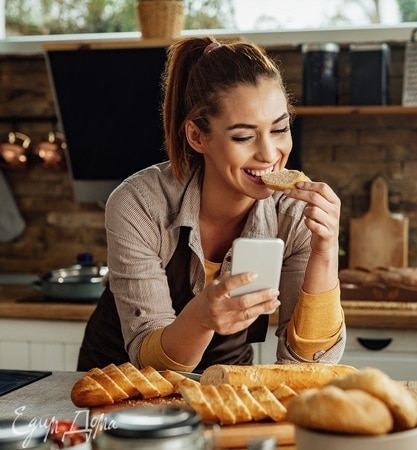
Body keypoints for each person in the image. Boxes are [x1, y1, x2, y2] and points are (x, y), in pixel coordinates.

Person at [77, 36, 346, 373]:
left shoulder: (294, 215)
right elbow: (151, 361)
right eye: (244, 137)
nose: (269, 154)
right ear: (197, 137)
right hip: (119, 380)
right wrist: (202, 317)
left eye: (279, 129)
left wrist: (325, 250)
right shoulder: (139, 205)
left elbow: (307, 366)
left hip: (225, 379)